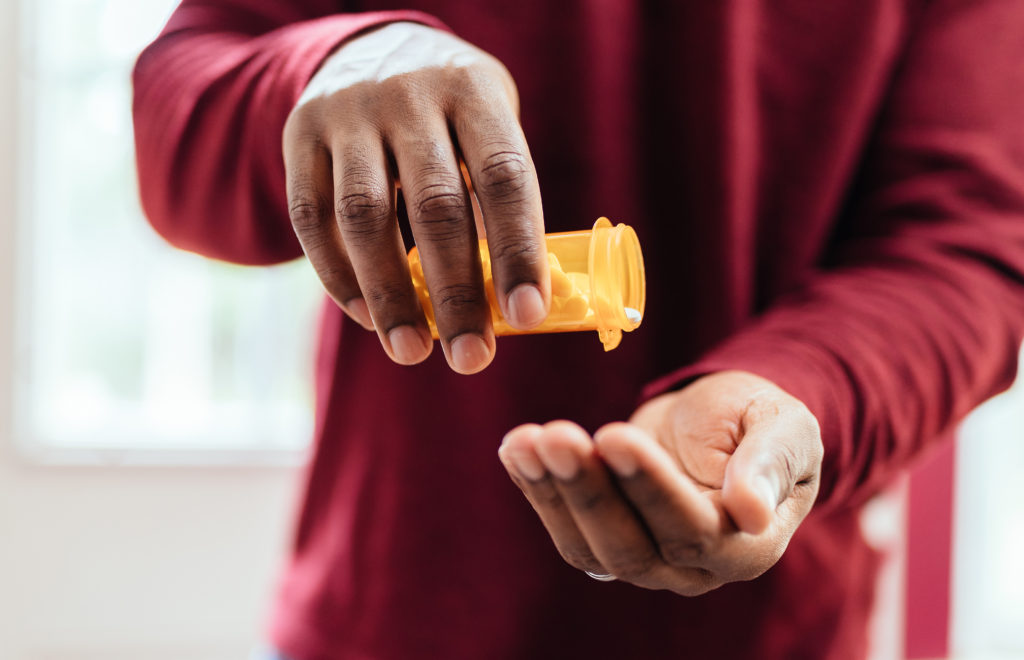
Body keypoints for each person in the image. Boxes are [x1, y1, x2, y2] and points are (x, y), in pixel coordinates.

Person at [132, 2, 1024, 658]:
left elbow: (965, 245)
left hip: (768, 630)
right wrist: (330, 63)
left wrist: (799, 388)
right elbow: (176, 113)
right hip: (393, 616)